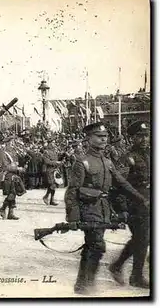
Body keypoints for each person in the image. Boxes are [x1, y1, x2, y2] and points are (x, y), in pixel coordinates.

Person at [64, 122, 148, 295]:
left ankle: (84, 283)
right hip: (88, 208)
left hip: (103, 208)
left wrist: (141, 198)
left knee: (94, 246)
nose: (104, 140)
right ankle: (85, 285)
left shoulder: (107, 162)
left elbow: (123, 183)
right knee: (96, 245)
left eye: (105, 137)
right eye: (99, 137)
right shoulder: (82, 162)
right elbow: (72, 191)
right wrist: (72, 217)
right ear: (89, 139)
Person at [108, 121, 150, 289]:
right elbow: (118, 186)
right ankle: (136, 276)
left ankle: (117, 266)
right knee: (143, 238)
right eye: (140, 136)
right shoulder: (127, 158)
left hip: (148, 203)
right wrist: (123, 208)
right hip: (135, 205)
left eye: (146, 135)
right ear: (131, 138)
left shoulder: (149, 154)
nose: (144, 139)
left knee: (142, 239)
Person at [0, 136, 26, 220]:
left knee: (13, 193)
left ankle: (10, 213)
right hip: (7, 175)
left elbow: (16, 163)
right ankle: (3, 209)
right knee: (12, 193)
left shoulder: (14, 152)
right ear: (7, 143)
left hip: (14, 175)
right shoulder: (3, 152)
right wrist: (17, 168)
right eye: (12, 142)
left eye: (13, 142)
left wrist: (22, 165)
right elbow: (5, 166)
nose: (13, 144)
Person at [42, 138, 60, 206]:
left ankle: (51, 200)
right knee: (52, 184)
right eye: (53, 142)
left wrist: (59, 163)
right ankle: (46, 197)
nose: (54, 144)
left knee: (54, 185)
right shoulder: (46, 152)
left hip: (54, 170)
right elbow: (46, 161)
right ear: (49, 143)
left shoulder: (54, 151)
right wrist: (56, 162)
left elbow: (56, 159)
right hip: (49, 170)